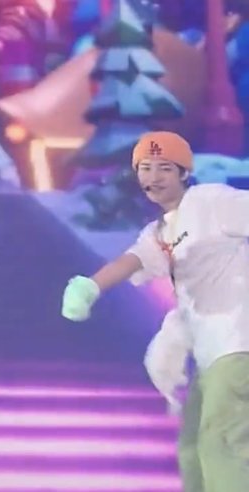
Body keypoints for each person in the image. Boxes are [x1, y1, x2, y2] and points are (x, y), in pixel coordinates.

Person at [62, 131, 249, 492]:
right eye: (145, 168)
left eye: (164, 168)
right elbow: (135, 259)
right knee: (192, 449)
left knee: (221, 443)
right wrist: (90, 287)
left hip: (239, 345)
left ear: (184, 172)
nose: (154, 177)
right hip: (211, 355)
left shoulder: (211, 201)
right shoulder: (161, 231)